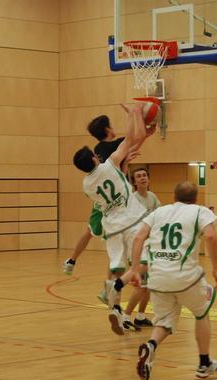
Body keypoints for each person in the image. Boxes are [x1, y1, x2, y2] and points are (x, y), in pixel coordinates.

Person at [120, 181, 217, 380]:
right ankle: (204, 363)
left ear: (174, 197)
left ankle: (151, 345)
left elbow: (139, 238)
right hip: (186, 278)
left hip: (158, 278)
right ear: (196, 199)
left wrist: (134, 269)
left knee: (165, 321)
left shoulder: (159, 212)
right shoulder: (200, 211)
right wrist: (216, 269)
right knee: (201, 313)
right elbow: (211, 236)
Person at [73, 103, 153, 335]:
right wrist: (135, 113)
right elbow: (134, 137)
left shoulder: (86, 185)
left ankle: (115, 308)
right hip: (131, 220)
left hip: (112, 227)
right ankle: (116, 288)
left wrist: (124, 165)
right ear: (94, 159)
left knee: (117, 267)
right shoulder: (110, 164)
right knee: (144, 263)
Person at [63, 115, 125, 275]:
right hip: (116, 200)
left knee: (89, 231)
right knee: (117, 243)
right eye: (111, 125)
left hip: (101, 198)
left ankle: (72, 260)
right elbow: (134, 138)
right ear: (108, 129)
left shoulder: (98, 149)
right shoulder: (118, 145)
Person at [122, 167, 161, 328]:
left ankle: (140, 316)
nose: (143, 178)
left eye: (145, 175)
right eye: (139, 176)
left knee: (147, 286)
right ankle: (125, 317)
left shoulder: (152, 197)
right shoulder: (132, 200)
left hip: (150, 244)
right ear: (134, 182)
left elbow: (160, 217)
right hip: (137, 244)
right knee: (140, 285)